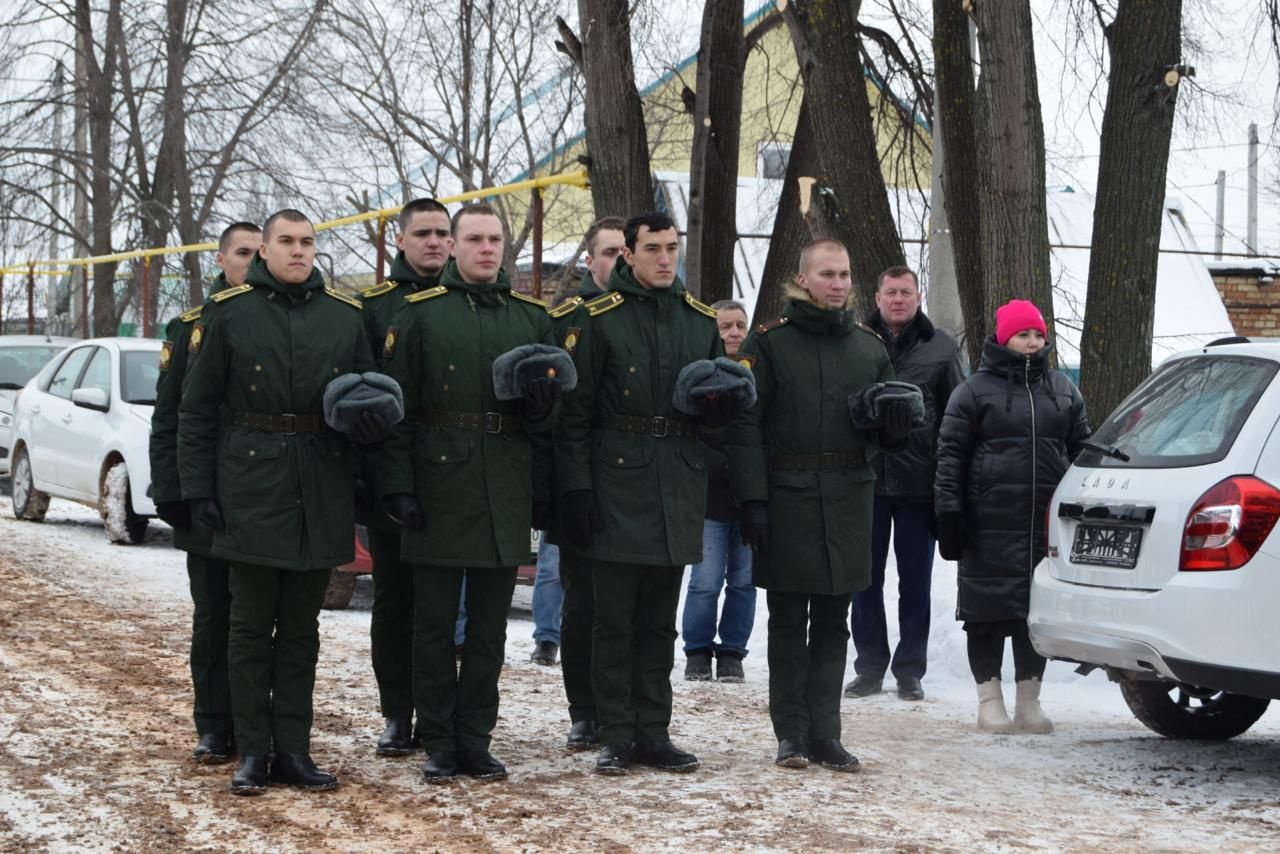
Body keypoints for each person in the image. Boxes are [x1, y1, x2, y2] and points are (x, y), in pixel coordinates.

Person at [179, 209, 383, 795]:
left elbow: (370, 397)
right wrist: (199, 489)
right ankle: (252, 751)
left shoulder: (344, 318)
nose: (298, 252)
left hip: (320, 483)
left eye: (307, 242)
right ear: (264, 250)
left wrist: (370, 442)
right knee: (247, 627)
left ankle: (293, 748)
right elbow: (197, 410)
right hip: (251, 483)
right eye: (286, 242)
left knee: (300, 630)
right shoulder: (231, 314)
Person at [379, 203, 559, 784]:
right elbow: (397, 413)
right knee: (432, 625)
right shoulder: (420, 315)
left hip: (502, 484)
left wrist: (541, 416)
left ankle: (476, 736)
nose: (487, 249)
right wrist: (399, 487)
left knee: (488, 627)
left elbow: (553, 418)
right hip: (438, 483)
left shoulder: (531, 318)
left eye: (495, 240)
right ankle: (436, 738)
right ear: (453, 248)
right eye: (475, 239)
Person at [725, 239, 914, 772]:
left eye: (845, 274)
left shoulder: (868, 347)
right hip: (787, 498)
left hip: (849, 496)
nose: (838, 283)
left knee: (834, 621)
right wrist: (752, 501)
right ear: (802, 280)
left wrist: (895, 434)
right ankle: (790, 733)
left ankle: (826, 733)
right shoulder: (770, 345)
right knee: (787, 620)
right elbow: (746, 429)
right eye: (827, 274)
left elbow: (886, 417)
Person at [555, 211, 723, 776]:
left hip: (675, 483)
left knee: (658, 621)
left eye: (672, 248)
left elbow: (716, 405)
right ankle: (616, 733)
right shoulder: (599, 319)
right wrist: (576, 491)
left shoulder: (698, 320)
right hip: (616, 484)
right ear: (627, 254)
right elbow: (574, 418)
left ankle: (654, 731)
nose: (665, 258)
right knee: (614, 620)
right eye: (652, 248)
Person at [934, 299, 1089, 734]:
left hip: (1043, 523)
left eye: (1038, 335)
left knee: (1031, 615)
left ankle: (1029, 701)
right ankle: (989, 701)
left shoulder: (1062, 388)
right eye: (1023, 335)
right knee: (985, 614)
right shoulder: (973, 390)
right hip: (988, 521)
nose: (1032, 343)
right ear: (1004, 338)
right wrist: (949, 512)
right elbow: (949, 456)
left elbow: (1081, 447)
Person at [149, 221, 260, 766]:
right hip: (207, 496)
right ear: (221, 261)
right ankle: (215, 724)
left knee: (260, 617)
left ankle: (258, 725)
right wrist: (174, 491)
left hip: (262, 494)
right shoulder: (191, 326)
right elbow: (168, 417)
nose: (253, 261)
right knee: (215, 615)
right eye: (243, 253)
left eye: (261, 253)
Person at [357, 197, 464, 756]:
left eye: (442, 233)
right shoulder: (374, 308)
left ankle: (441, 715)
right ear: (400, 241)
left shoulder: (465, 300)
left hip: (455, 478)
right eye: (421, 232)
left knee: (442, 608)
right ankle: (398, 713)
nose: (433, 242)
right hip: (391, 479)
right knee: (395, 603)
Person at [847, 266, 966, 702]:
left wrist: (949, 479)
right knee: (864, 578)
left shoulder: (941, 348)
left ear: (918, 297)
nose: (898, 300)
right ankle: (869, 666)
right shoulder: (856, 342)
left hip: (919, 483)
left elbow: (957, 416)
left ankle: (910, 670)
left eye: (906, 293)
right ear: (876, 297)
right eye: (891, 292)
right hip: (867, 480)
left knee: (915, 582)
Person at [531, 216, 626, 752]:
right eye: (606, 252)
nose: (616, 260)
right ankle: (584, 710)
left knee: (625, 608)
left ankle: (625, 707)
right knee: (583, 603)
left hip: (632, 486)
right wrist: (558, 493)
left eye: (622, 250)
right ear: (589, 261)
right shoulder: (567, 320)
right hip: (578, 482)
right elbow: (554, 418)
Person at [681, 299, 755, 683]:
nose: (734, 333)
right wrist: (720, 465)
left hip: (749, 497)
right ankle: (697, 650)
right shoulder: (698, 374)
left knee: (743, 580)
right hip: (707, 497)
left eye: (740, 325)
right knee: (706, 580)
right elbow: (689, 432)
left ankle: (732, 652)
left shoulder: (758, 372)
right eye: (725, 326)